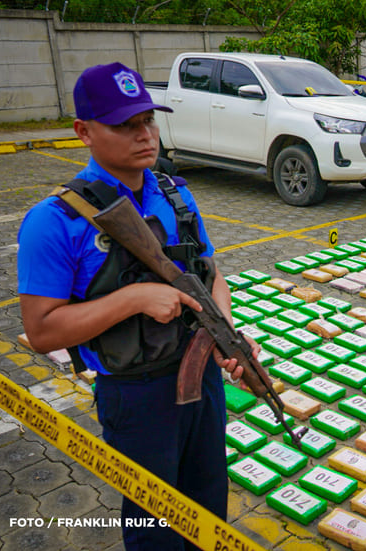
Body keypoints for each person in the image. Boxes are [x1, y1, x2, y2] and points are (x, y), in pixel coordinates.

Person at [17, 62, 250, 550]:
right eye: (125, 125)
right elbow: (41, 332)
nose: (144, 136)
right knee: (156, 524)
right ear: (84, 131)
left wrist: (227, 335)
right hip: (135, 394)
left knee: (208, 501)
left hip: (201, 376)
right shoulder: (54, 221)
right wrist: (134, 299)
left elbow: (211, 273)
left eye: (148, 120)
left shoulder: (176, 193)